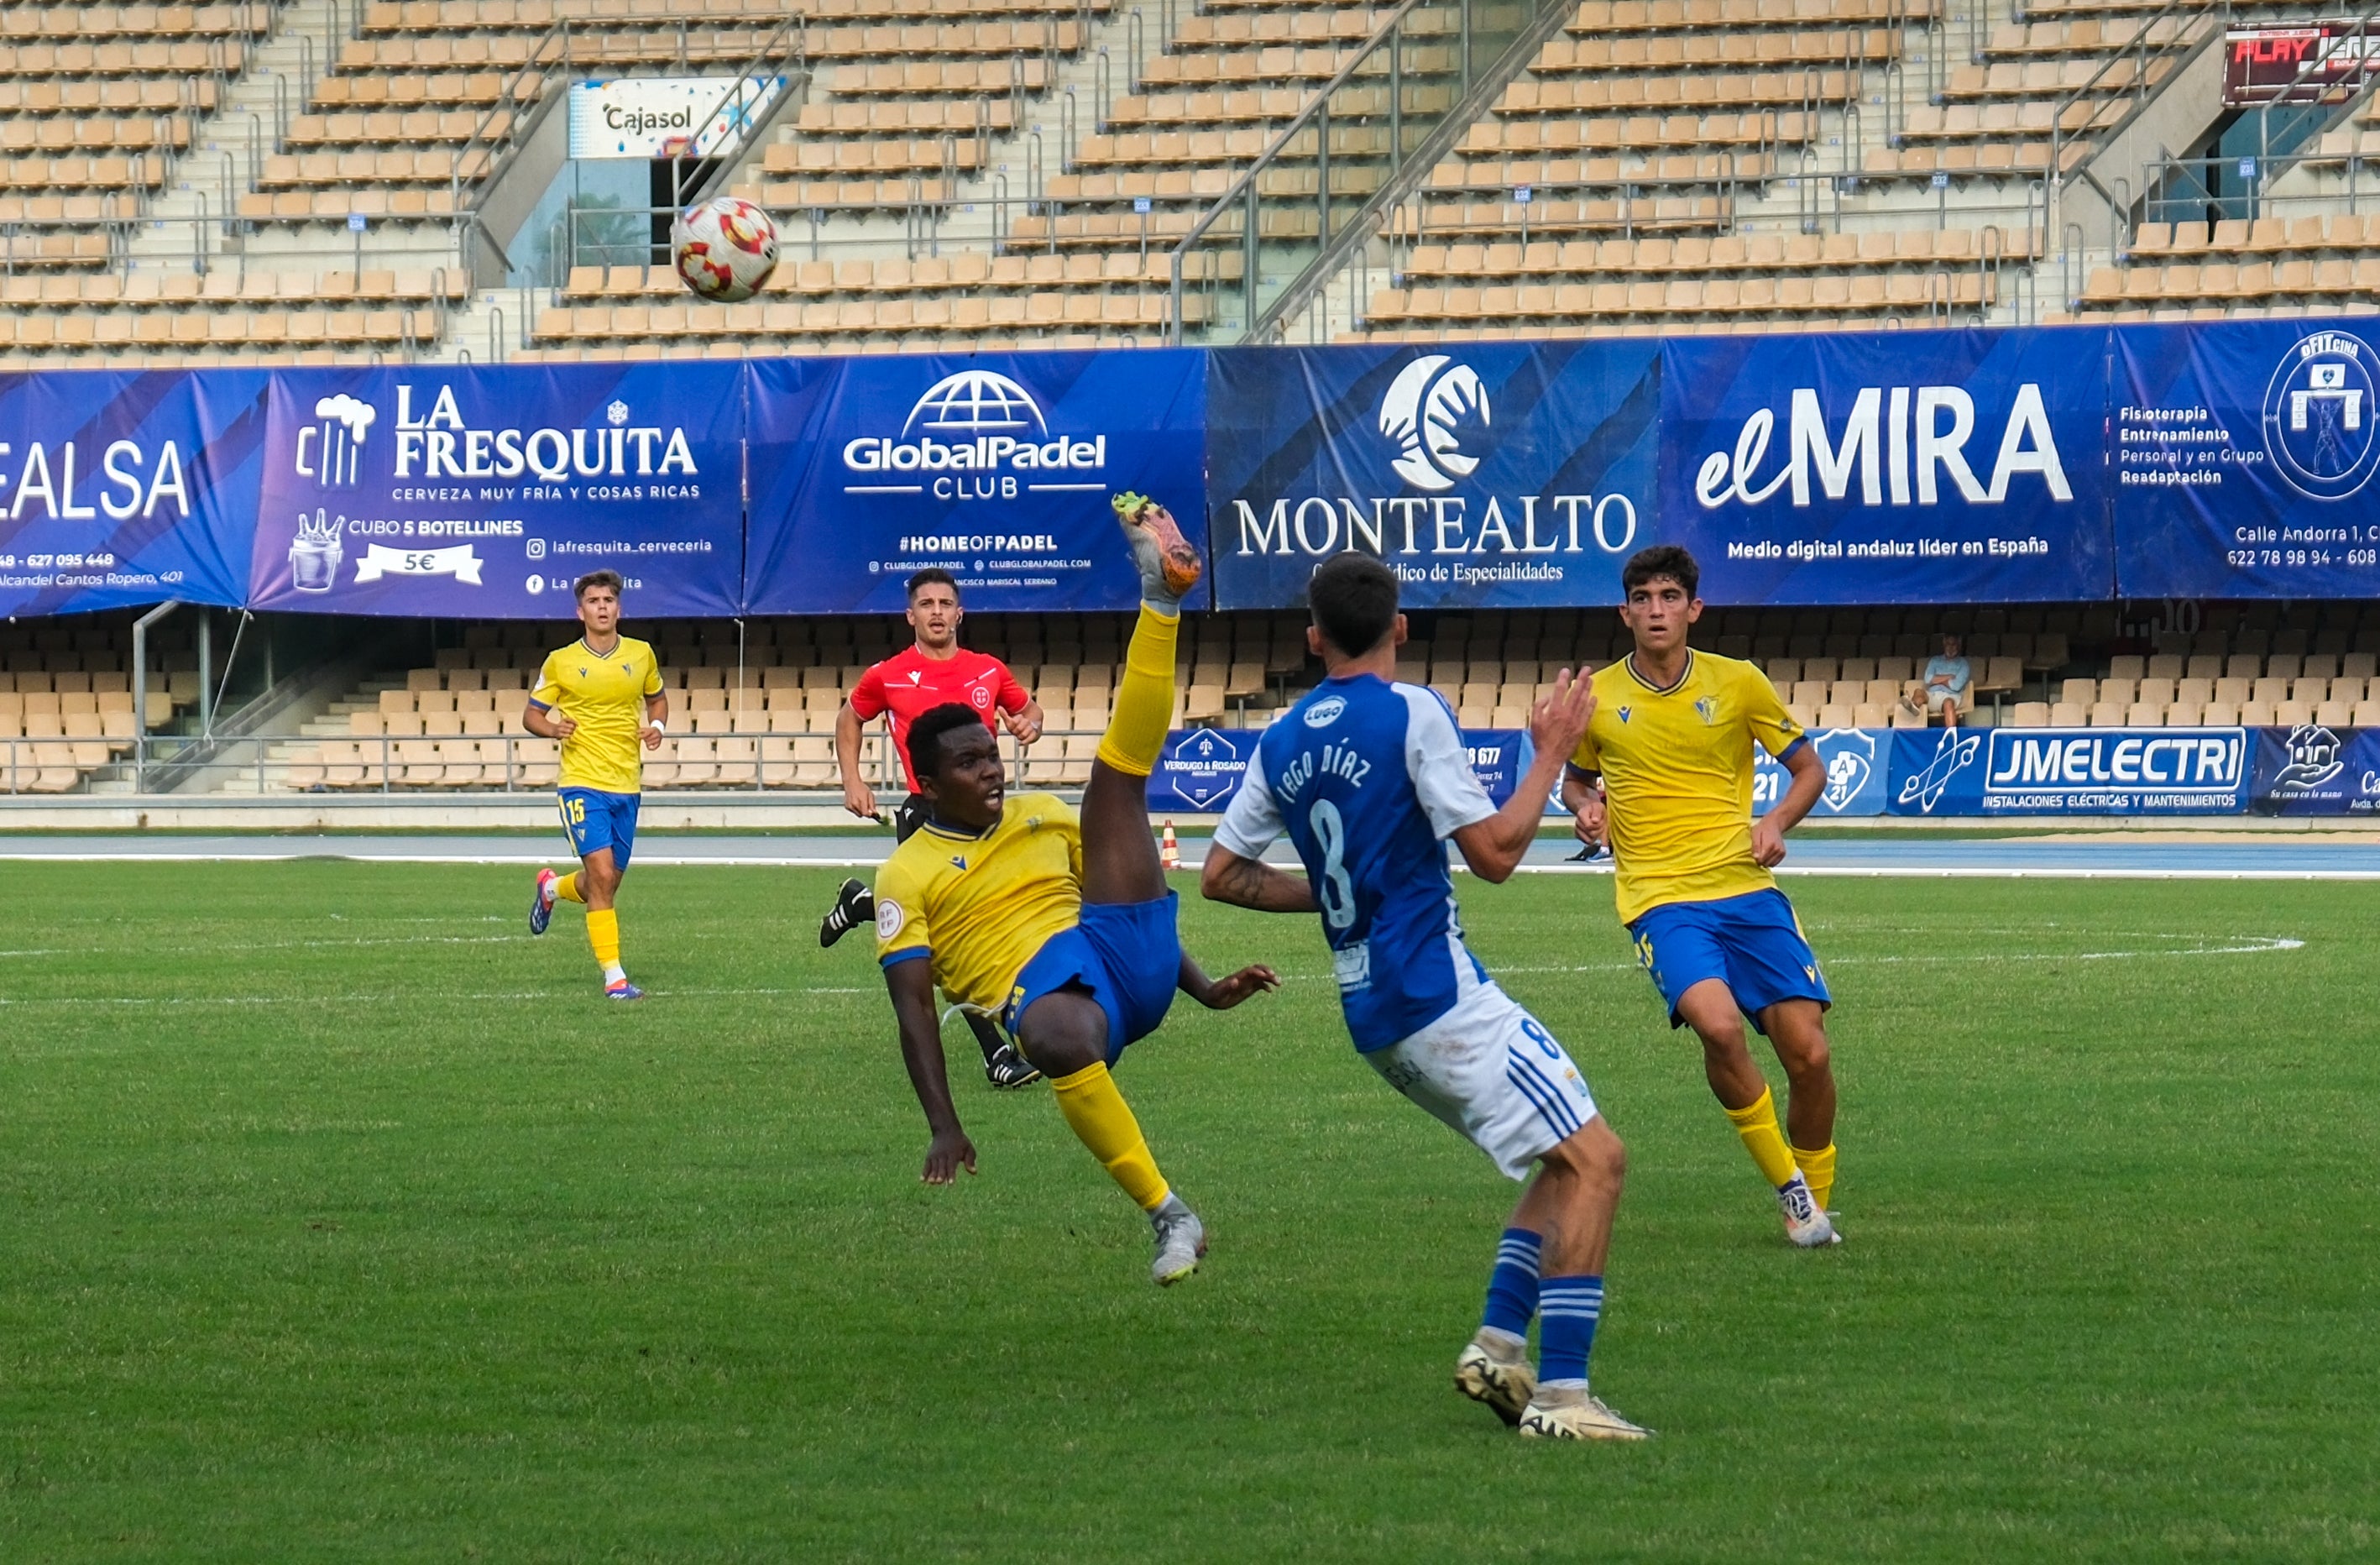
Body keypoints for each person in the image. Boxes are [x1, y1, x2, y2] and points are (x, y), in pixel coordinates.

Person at [1200, 552, 1647, 1442]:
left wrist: (1343, 895)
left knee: (1559, 1159)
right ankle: (1563, 1398)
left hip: (1373, 1014)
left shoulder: (1283, 737)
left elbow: (1221, 876)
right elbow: (1495, 854)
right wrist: (1554, 753)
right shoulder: (1411, 711)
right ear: (1400, 628)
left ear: (1314, 636)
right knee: (1598, 1160)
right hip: (1440, 998)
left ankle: (1494, 1347)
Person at [872, 498, 1278, 1285]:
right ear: (927, 781)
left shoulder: (1040, 813)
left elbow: (1123, 892)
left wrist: (1206, 990)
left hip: (1127, 958)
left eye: (991, 754)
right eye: (968, 763)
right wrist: (943, 1124)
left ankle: (1160, 600)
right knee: (1053, 1037)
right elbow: (915, 1008)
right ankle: (1172, 1215)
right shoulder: (905, 872)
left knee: (1113, 783)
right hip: (1056, 1003)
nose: (990, 769)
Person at [1562, 545, 1840, 1247]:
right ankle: (1793, 1197)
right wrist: (1584, 809)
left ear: (1694, 608)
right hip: (1659, 896)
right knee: (1718, 1027)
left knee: (1807, 1055)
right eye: (1643, 598)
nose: (1656, 610)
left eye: (1668, 597)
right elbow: (1575, 779)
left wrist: (1774, 820)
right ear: (1624, 613)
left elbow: (1809, 769)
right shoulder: (1598, 698)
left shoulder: (1739, 682)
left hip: (1745, 890)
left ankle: (1816, 1200)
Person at [819, 567, 1048, 1090]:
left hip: (988, 816)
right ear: (911, 615)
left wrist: (1029, 722)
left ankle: (860, 903)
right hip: (927, 816)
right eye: (927, 604)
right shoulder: (889, 675)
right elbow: (849, 718)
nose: (938, 612)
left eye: (946, 603)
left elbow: (1028, 709)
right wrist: (852, 780)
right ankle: (998, 1055)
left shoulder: (987, 670)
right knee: (944, 940)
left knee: (997, 923)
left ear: (960, 613)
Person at [524, 569, 667, 1001]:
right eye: (594, 601)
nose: (602, 607)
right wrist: (553, 730)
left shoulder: (641, 654)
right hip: (581, 782)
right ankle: (615, 978)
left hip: (627, 783)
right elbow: (531, 714)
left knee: (603, 883)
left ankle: (551, 888)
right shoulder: (560, 661)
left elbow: (657, 697)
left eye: (608, 600)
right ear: (580, 611)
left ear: (618, 608)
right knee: (602, 875)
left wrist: (656, 724)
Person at [1902, 634, 1971, 726]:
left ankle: (1951, 735)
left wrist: (1936, 679)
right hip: (1932, 695)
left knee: (1948, 703)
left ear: (1959, 645)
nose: (1950, 648)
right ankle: (1913, 705)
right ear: (1944, 644)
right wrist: (1948, 677)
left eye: (1953, 644)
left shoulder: (1963, 664)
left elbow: (1955, 686)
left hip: (1951, 696)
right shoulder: (1935, 660)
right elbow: (1927, 679)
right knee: (1919, 692)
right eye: (1948, 644)